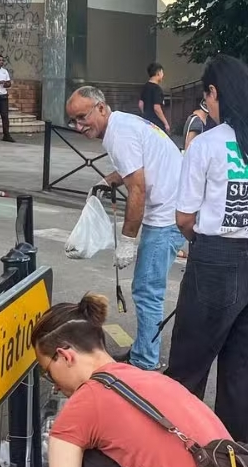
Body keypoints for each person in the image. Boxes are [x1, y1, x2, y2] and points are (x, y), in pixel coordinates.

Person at [164, 54, 248, 446]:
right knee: (243, 381)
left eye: (207, 98)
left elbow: (184, 218)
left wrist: (202, 247)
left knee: (187, 373)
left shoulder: (206, 145)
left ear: (214, 92)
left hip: (216, 263)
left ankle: (178, 460)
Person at [33, 292, 232, 467]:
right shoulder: (153, 380)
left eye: (48, 372)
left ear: (65, 356)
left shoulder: (84, 403)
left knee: (92, 463)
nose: (56, 386)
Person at [66, 86, 185, 372]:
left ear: (101, 108)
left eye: (82, 117)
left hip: (167, 214)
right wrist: (110, 180)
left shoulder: (119, 133)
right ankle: (145, 349)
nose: (78, 126)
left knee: (146, 288)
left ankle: (146, 361)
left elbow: (139, 190)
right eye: (73, 121)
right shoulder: (123, 124)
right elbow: (138, 166)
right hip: (174, 206)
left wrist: (128, 240)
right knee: (147, 287)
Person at [138, 62, 170, 133]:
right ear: (158, 73)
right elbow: (157, 108)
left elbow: (140, 104)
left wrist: (146, 115)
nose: (163, 75)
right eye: (162, 73)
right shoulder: (157, 89)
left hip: (146, 122)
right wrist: (166, 123)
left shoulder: (145, 87)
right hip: (156, 124)